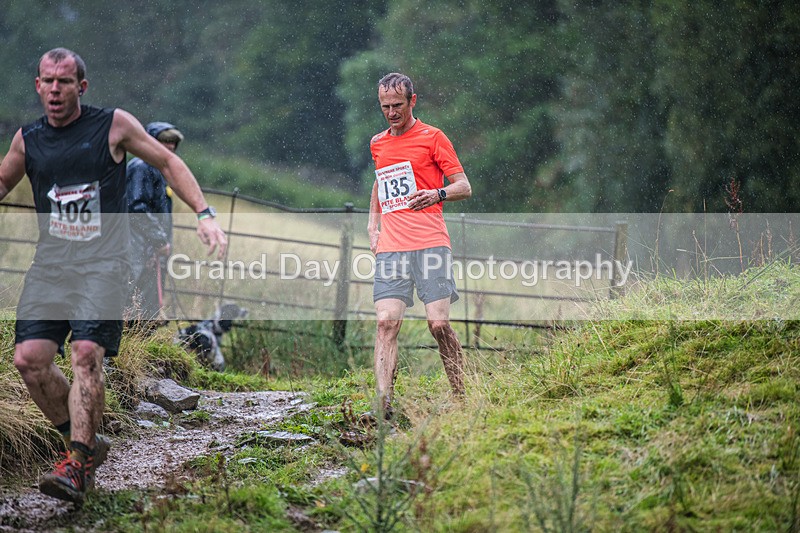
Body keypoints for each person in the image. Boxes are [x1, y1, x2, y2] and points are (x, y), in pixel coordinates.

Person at [0, 47, 227, 505]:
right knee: (29, 359)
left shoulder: (113, 125)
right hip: (51, 266)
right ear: (38, 86)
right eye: (48, 81)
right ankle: (83, 442)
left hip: (103, 265)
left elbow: (167, 163)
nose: (56, 90)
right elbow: (3, 181)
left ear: (81, 87)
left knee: (86, 352)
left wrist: (203, 213)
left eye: (65, 81)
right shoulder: (29, 140)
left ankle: (78, 464)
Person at [366, 72, 472, 420]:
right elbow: (380, 181)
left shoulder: (433, 137)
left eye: (397, 105)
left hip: (430, 242)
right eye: (385, 107)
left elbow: (464, 185)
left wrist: (436, 193)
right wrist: (372, 224)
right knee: (386, 322)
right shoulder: (378, 142)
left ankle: (462, 394)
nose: (392, 112)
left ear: (413, 101)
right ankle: (383, 405)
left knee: (438, 324)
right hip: (392, 245)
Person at [126, 121, 183, 327]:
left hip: (150, 249)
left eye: (173, 143)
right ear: (150, 142)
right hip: (137, 247)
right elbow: (137, 208)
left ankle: (140, 348)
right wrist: (159, 240)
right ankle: (123, 350)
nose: (170, 147)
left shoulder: (159, 170)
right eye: (165, 141)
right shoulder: (141, 168)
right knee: (131, 298)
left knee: (147, 303)